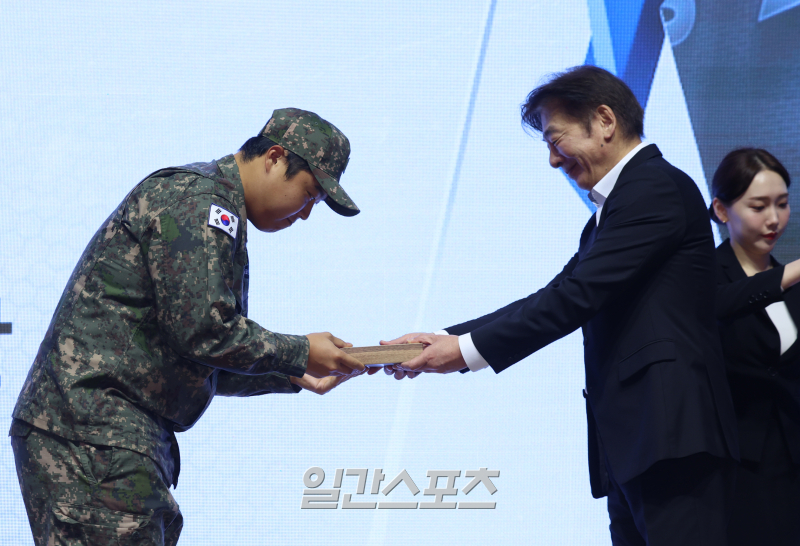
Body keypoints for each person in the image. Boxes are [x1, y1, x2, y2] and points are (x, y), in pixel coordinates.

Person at [384, 66, 739, 545]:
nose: (553, 160)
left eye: (556, 140)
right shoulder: (610, 213)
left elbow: (575, 298)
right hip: (638, 445)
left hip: (672, 437)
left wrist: (464, 351)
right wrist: (446, 339)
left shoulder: (653, 187)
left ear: (605, 121)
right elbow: (554, 292)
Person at [10, 108, 373, 545]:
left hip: (103, 435)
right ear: (275, 158)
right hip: (94, 435)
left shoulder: (214, 205)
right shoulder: (199, 200)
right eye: (310, 194)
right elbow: (203, 332)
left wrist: (293, 372)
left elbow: (195, 356)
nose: (306, 214)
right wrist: (301, 352)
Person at [710, 148, 800, 545]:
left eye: (782, 204)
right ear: (722, 210)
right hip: (737, 463)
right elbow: (721, 306)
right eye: (759, 206)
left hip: (791, 455)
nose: (774, 219)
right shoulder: (704, 276)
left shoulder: (791, 281)